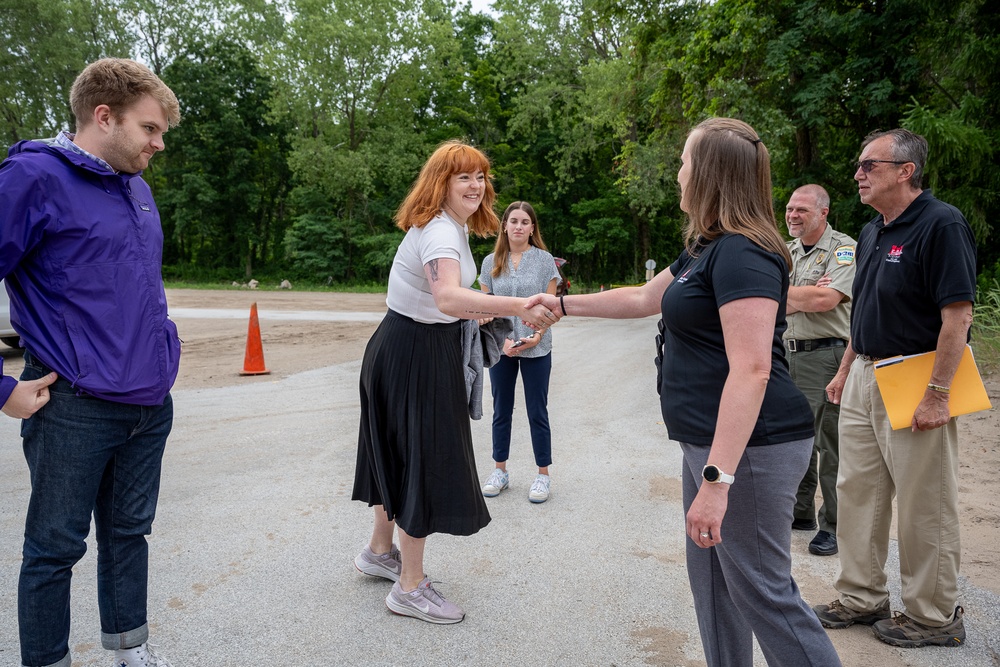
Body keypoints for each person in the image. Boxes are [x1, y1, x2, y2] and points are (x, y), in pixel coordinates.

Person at [528, 118, 840, 666]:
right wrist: (562, 304)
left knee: (765, 593)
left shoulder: (744, 253)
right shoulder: (705, 247)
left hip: (752, 449)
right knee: (716, 588)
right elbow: (644, 298)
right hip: (709, 442)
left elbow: (751, 371)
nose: (678, 172)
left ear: (711, 174)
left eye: (685, 160)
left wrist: (717, 482)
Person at [0, 59, 181, 667]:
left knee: (130, 535)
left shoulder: (135, 184)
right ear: (104, 117)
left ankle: (130, 648)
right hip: (72, 406)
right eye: (150, 129)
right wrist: (1, 387)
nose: (158, 144)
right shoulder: (32, 178)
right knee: (54, 550)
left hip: (148, 405)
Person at [351, 141, 558, 625]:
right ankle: (410, 587)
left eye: (480, 177)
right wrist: (517, 305)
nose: (474, 185)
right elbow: (446, 296)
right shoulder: (442, 232)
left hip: (401, 345)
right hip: (416, 353)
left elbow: (451, 299)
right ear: (440, 182)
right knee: (421, 459)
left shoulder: (447, 227)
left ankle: (381, 551)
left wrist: (483, 313)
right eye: (463, 177)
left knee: (394, 451)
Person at [813, 128, 975, 648]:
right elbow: (863, 312)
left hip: (915, 374)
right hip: (864, 374)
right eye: (859, 166)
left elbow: (959, 315)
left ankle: (934, 616)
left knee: (924, 500)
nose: (858, 174)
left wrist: (939, 391)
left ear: (906, 170)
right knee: (856, 491)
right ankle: (862, 596)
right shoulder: (871, 231)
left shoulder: (941, 224)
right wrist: (843, 371)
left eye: (870, 166)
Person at [783, 184, 856, 557]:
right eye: (790, 208)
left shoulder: (843, 249)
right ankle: (800, 513)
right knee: (797, 437)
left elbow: (827, 300)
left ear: (823, 213)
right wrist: (804, 296)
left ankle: (832, 524)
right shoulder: (787, 251)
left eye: (803, 210)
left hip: (827, 354)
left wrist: (793, 295)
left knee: (830, 442)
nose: (793, 215)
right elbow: (780, 303)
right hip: (789, 352)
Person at [478, 201, 562, 503]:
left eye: (525, 222)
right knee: (501, 410)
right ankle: (500, 470)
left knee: (537, 411)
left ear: (532, 228)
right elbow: (485, 310)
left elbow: (551, 309)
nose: (518, 226)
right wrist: (500, 343)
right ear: (504, 225)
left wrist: (537, 336)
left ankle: (542, 475)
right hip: (501, 349)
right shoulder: (490, 262)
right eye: (513, 221)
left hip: (536, 347)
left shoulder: (544, 261)